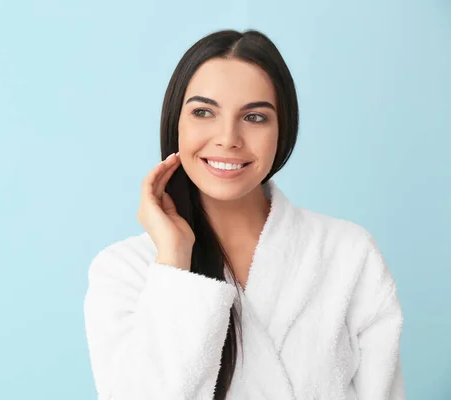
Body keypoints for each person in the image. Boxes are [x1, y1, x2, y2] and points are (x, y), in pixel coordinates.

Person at [83, 28, 404, 400]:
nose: (228, 138)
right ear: (176, 123)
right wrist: (173, 262)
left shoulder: (349, 253)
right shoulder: (123, 271)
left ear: (282, 131)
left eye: (254, 117)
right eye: (203, 112)